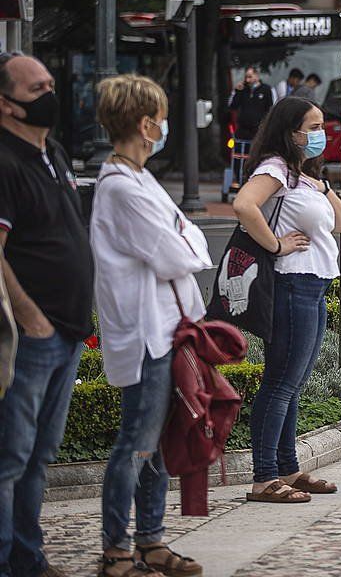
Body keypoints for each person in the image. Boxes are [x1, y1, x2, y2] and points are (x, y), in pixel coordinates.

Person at [91, 75, 210, 577]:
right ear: (145, 124)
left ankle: (151, 540)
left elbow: (191, 241)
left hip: (165, 329)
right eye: (159, 119)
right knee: (136, 444)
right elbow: (174, 252)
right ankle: (117, 547)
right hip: (145, 333)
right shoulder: (122, 188)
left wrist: (186, 239)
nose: (163, 127)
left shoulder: (141, 180)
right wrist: (186, 238)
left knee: (158, 442)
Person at [0, 54, 94, 577]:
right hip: (33, 338)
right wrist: (31, 318)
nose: (50, 95)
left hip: (69, 331)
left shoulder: (53, 151)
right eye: (37, 88)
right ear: (6, 104)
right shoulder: (5, 161)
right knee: (10, 457)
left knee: (39, 457)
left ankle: (28, 558)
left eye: (51, 84)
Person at [232, 97, 341, 503]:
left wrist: (325, 186)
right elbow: (243, 205)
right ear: (290, 131)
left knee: (293, 383)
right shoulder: (276, 168)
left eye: (321, 126)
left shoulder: (302, 174)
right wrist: (276, 245)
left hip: (313, 286)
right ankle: (264, 477)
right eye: (312, 127)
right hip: (291, 285)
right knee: (280, 382)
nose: (319, 134)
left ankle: (289, 468)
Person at [228, 67, 275, 142]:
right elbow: (233, 106)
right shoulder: (242, 89)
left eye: (250, 77)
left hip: (258, 129)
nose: (247, 80)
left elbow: (271, 109)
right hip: (243, 129)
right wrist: (237, 92)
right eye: (246, 77)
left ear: (256, 75)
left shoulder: (267, 89)